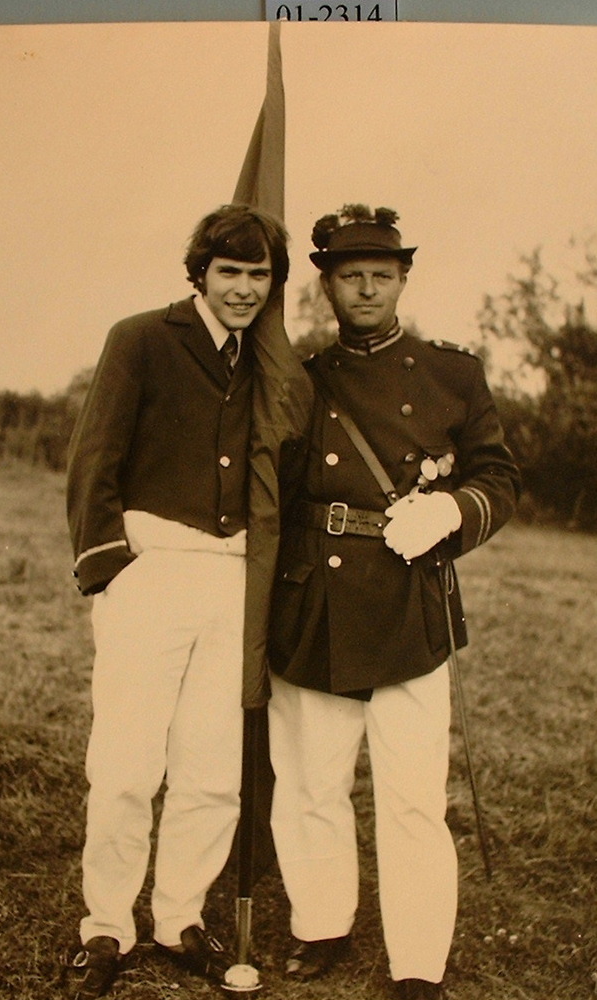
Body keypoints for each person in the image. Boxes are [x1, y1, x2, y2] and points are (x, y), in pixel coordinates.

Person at [266, 204, 521, 1000]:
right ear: (326, 286)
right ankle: (321, 923)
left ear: (404, 278)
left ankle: (416, 960)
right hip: (315, 600)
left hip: (409, 603)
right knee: (310, 783)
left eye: (381, 274)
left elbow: (498, 477)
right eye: (350, 276)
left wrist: (450, 511)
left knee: (412, 796)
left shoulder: (453, 374)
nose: (366, 289)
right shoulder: (301, 380)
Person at [64, 203, 290, 999]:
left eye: (259, 274)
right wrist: (111, 569)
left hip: (233, 579)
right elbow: (94, 458)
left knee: (213, 768)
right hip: (151, 570)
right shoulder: (141, 339)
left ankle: (179, 917)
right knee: (127, 762)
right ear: (200, 272)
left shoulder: (269, 360)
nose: (243, 289)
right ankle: (106, 926)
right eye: (229, 271)